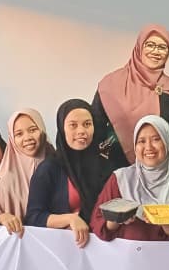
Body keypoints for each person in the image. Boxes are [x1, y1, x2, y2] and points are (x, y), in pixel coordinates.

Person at [91, 115, 169, 242]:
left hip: (168, 255)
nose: (148, 147)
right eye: (141, 141)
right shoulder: (120, 179)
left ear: (168, 142)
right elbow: (98, 227)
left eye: (156, 139)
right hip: (125, 254)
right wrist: (116, 219)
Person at [26, 99, 115, 248]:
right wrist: (70, 219)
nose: (81, 131)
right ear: (62, 128)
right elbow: (33, 217)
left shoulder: (106, 166)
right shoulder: (49, 168)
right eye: (73, 125)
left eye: (87, 124)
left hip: (101, 248)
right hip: (62, 249)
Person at [91, 25, 169, 163]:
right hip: (112, 168)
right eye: (150, 45)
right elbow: (94, 127)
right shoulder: (111, 83)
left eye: (162, 47)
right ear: (139, 47)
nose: (156, 51)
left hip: (157, 170)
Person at [0, 108, 52, 233]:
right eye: (19, 134)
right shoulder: (3, 182)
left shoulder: (59, 165)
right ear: (12, 139)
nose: (27, 138)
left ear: (42, 130)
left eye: (33, 130)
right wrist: (2, 217)